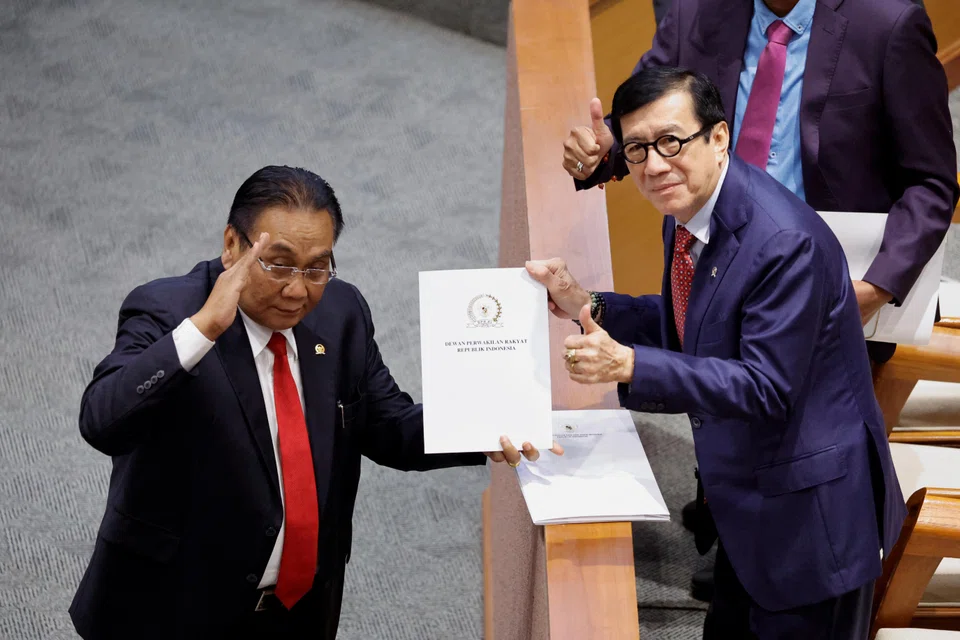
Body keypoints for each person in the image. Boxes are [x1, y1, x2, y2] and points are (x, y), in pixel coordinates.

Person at [563, 0, 958, 599]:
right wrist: (608, 153)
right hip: (716, 249)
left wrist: (872, 289)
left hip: (839, 278)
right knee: (722, 407)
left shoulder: (889, 22)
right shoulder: (697, 11)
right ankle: (736, 540)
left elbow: (930, 181)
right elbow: (655, 113)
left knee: (807, 448)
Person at [69, 166, 557, 640]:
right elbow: (102, 421)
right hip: (174, 606)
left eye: (316, 267)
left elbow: (387, 425)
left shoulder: (341, 313)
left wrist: (487, 426)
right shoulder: (166, 310)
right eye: (278, 263)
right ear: (231, 245)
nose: (298, 289)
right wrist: (202, 331)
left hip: (299, 609)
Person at [530, 67, 906, 639]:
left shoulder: (784, 245)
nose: (655, 165)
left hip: (811, 524)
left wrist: (631, 364)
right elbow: (698, 326)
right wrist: (588, 304)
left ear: (720, 136)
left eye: (671, 142)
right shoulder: (690, 212)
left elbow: (765, 386)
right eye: (637, 149)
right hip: (748, 504)